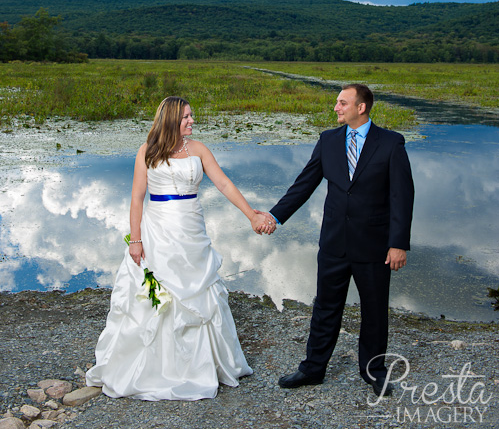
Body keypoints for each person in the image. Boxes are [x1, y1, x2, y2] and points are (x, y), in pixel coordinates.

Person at [86, 96, 272, 401]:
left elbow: (224, 184)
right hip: (157, 230)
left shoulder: (198, 150)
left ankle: (200, 365)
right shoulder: (146, 152)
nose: (192, 121)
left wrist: (252, 214)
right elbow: (136, 198)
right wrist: (135, 239)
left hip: (191, 229)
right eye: (187, 117)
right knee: (157, 296)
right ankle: (153, 367)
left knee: (199, 293)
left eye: (191, 116)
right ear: (171, 118)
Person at [257, 83, 414, 397]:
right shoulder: (328, 140)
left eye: (342, 103)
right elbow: (304, 184)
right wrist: (274, 216)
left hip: (375, 246)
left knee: (374, 310)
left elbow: (402, 196)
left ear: (361, 107)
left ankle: (374, 371)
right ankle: (313, 368)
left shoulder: (391, 143)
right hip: (333, 243)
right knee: (325, 308)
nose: (336, 108)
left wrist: (399, 243)